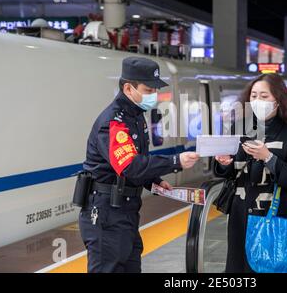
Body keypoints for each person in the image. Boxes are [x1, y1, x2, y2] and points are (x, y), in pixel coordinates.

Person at [78, 56, 199, 273]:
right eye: (148, 90)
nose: (154, 95)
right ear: (128, 88)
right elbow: (129, 166)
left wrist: (154, 181)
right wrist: (175, 161)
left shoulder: (136, 116)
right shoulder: (113, 122)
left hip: (125, 211)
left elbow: (137, 160)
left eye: (155, 90)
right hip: (106, 212)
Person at [214, 73, 287, 273]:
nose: (257, 101)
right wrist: (224, 163)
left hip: (274, 217)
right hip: (240, 216)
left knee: (267, 267)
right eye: (254, 96)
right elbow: (229, 173)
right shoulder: (239, 127)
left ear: (278, 99)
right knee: (237, 269)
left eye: (264, 96)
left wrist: (269, 157)